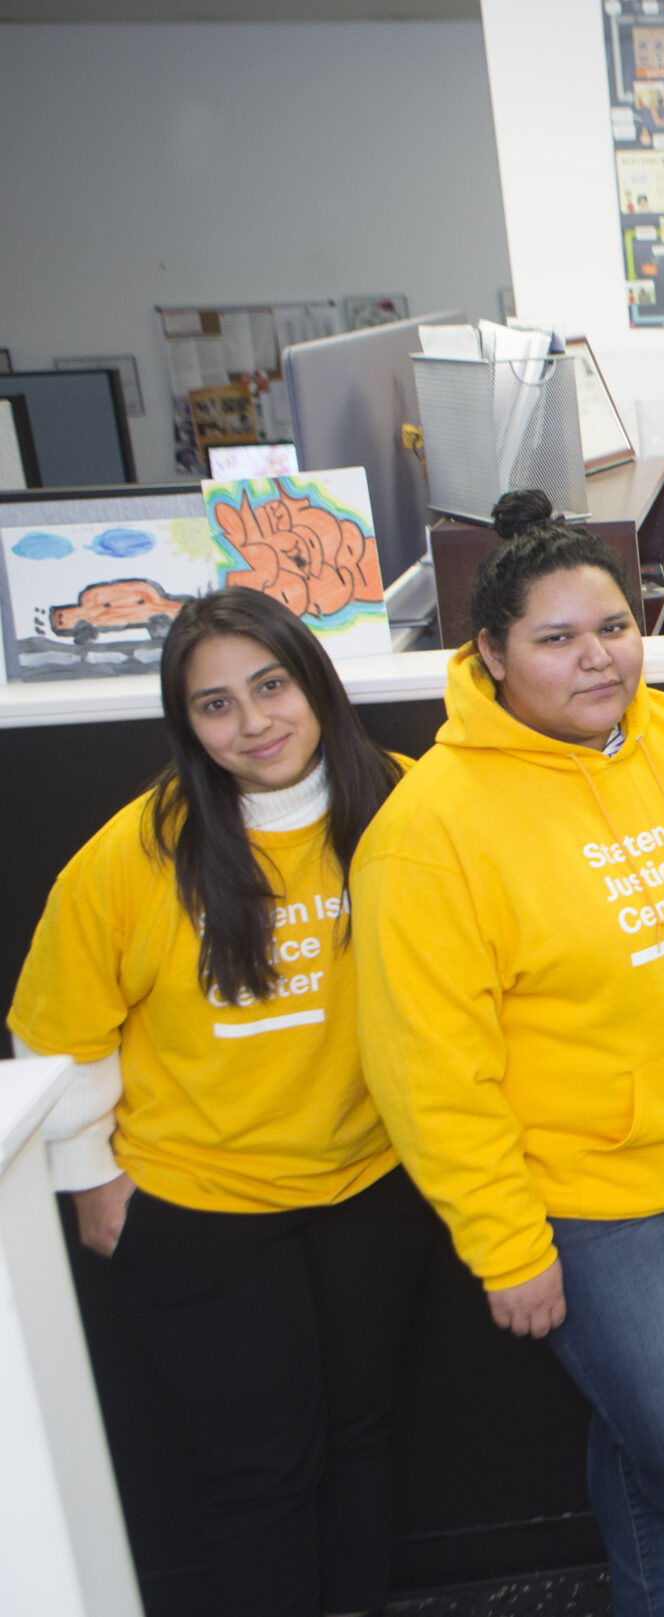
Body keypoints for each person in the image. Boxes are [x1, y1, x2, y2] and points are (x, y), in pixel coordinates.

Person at [352, 492, 664, 1617]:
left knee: (639, 1415)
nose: (596, 658)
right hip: (574, 1187)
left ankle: (649, 1596)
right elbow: (427, 1068)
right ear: (489, 654)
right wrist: (504, 1243)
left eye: (613, 627)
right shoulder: (430, 832)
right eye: (555, 639)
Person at [10, 587, 430, 1617]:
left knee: (360, 1440)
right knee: (263, 1473)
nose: (254, 724)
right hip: (202, 1202)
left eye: (271, 686)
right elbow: (54, 1031)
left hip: (370, 1182)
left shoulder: (411, 805)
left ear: (315, 683)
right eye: (216, 706)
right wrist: (90, 1178)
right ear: (187, 726)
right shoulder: (136, 853)